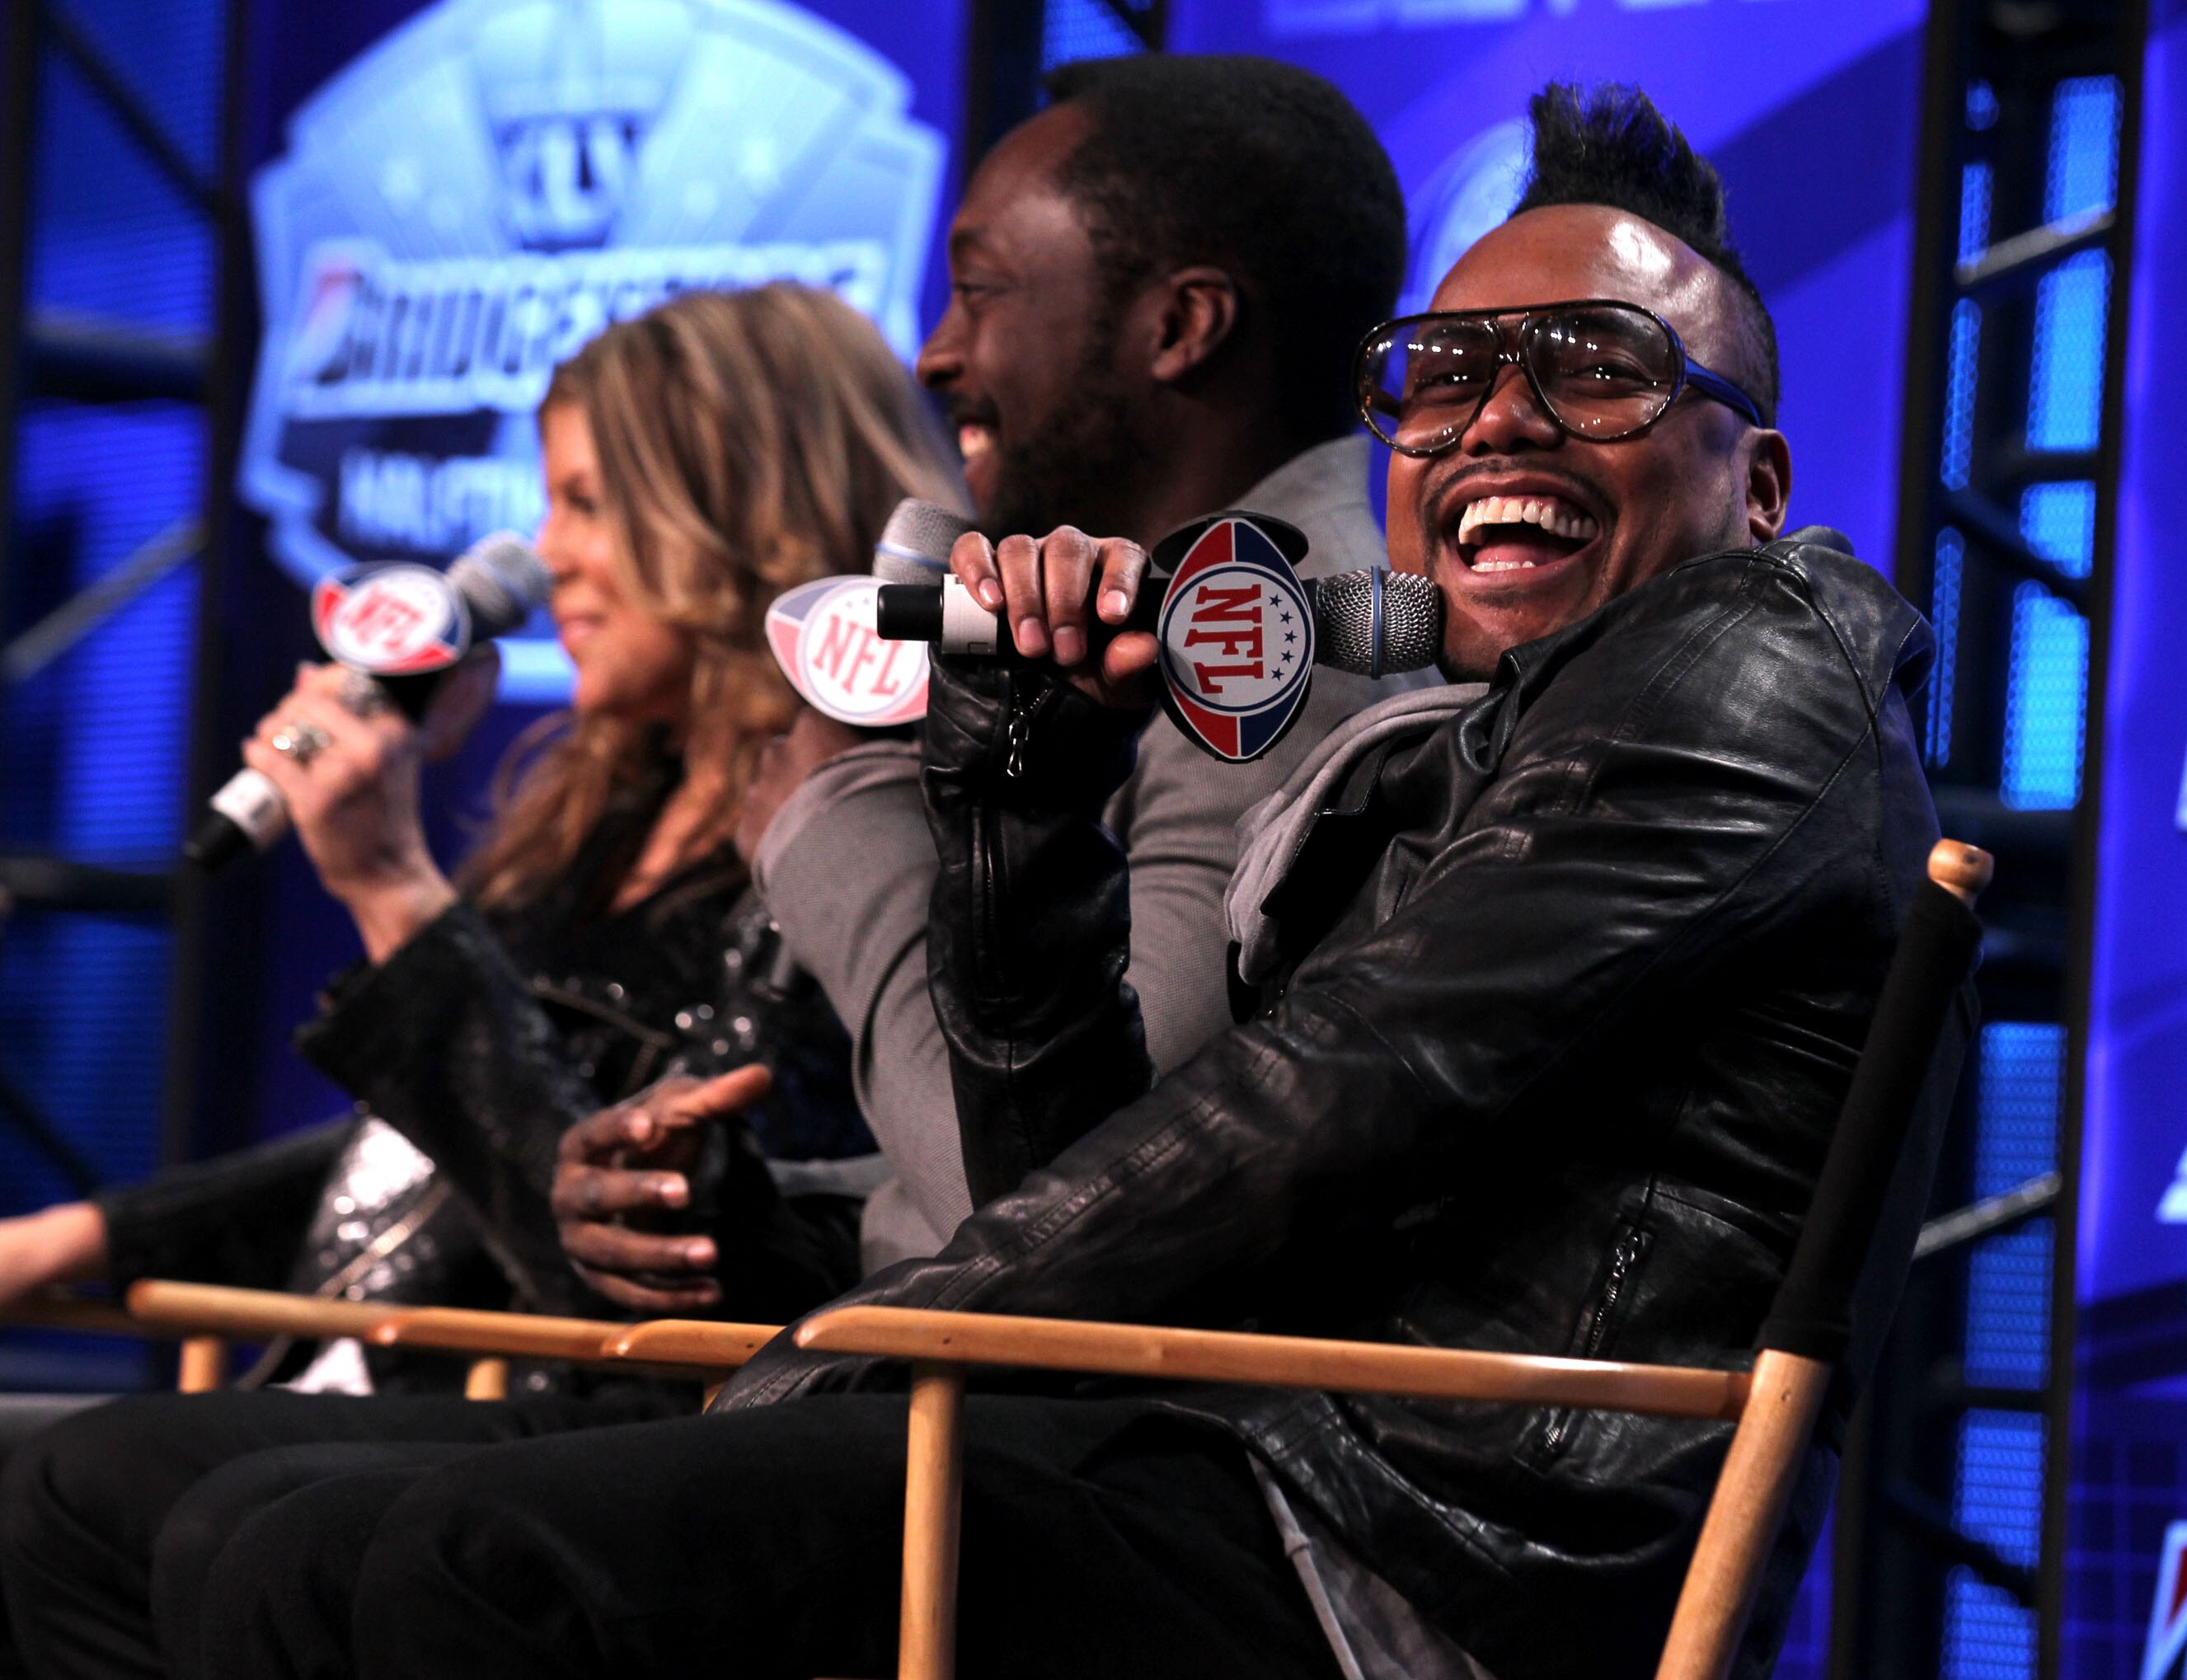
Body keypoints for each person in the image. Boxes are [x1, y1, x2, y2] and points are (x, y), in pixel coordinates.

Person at [125, 81, 1967, 1680]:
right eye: (1447, 372)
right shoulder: (1452, 742)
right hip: (1237, 1449)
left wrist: (816, 1360)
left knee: (412, 1558)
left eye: (1597, 368)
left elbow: (1302, 1115)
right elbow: (1074, 1160)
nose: (1496, 418)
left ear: (1766, 481)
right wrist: (1025, 797)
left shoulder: (1747, 664)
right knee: (250, 1535)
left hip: (1406, 1559)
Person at [0, 283, 964, 1678]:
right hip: (384, 1372)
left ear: (738, 506)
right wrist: (77, 1237)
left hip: (593, 1427)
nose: (542, 553)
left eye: (586, 500)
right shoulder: (600, 805)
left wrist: (391, 886)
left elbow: (643, 1243)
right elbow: (402, 1161)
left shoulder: (848, 820)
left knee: (81, 1488)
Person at [553, 50, 1421, 1302]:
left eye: (979, 293)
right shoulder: (1202, 603)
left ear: (1181, 327)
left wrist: (837, 819)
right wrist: (746, 1210)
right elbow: (1068, 1154)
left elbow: (1059, 1202)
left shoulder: (1270, 644)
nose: (935, 351)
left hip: (1067, 1456)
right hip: (954, 1408)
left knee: (301, 1504)